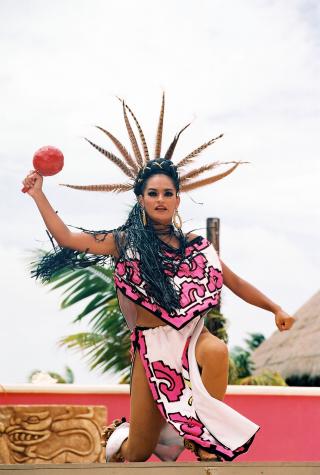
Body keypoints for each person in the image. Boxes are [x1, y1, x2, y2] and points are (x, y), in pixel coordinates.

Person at [22, 94, 295, 463]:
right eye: (153, 193)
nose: (161, 199)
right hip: (151, 347)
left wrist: (274, 307)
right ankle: (121, 440)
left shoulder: (197, 247)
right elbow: (70, 239)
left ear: (178, 200)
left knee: (216, 350)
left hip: (191, 335)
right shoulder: (126, 242)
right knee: (140, 450)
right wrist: (39, 195)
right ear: (142, 199)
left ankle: (204, 438)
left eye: (168, 193)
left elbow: (235, 281)